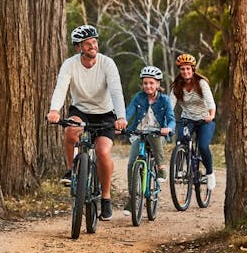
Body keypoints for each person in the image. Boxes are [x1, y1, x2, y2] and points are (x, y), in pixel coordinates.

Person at [47, 25, 127, 221]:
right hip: (81, 111)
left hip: (105, 113)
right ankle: (71, 171)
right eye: (88, 44)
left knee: (102, 151)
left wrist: (121, 117)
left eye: (95, 42)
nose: (93, 46)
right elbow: (61, 87)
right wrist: (54, 110)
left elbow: (116, 91)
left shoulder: (107, 64)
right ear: (78, 47)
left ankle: (106, 198)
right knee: (70, 131)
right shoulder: (70, 64)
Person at [123, 65, 175, 215]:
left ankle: (161, 168)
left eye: (151, 83)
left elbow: (171, 119)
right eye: (145, 83)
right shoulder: (138, 97)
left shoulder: (164, 100)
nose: (148, 86)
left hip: (158, 134)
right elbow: (128, 112)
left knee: (154, 136)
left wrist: (168, 128)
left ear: (158, 84)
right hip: (139, 133)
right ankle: (133, 198)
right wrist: (122, 123)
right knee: (132, 163)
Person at [171, 53, 217, 190]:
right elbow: (170, 105)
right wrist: (167, 120)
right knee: (180, 141)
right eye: (182, 69)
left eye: (188, 68)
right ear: (180, 70)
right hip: (187, 119)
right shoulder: (177, 86)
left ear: (193, 69)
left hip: (204, 120)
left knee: (203, 146)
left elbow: (210, 102)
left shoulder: (201, 83)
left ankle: (210, 173)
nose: (185, 71)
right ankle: (180, 169)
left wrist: (211, 115)